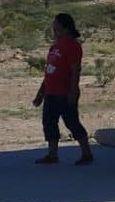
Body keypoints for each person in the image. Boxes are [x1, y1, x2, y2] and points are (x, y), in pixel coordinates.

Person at [32, 12, 94, 165]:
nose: (54, 29)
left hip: (65, 92)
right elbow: (49, 70)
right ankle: (52, 155)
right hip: (51, 92)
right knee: (49, 123)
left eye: (57, 26)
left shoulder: (73, 46)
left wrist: (73, 92)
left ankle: (87, 153)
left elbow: (75, 71)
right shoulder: (55, 46)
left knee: (72, 122)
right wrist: (41, 93)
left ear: (66, 28)